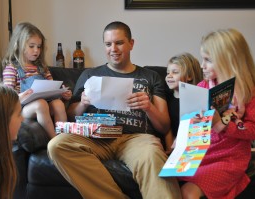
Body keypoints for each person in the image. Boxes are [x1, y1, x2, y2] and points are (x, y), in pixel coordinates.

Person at [47, 21, 182, 199]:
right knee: (56, 145)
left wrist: (148, 107)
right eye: (108, 44)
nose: (113, 49)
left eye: (119, 43)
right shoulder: (90, 75)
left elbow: (164, 126)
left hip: (136, 139)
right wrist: (83, 103)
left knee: (151, 155)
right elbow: (71, 116)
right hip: (96, 136)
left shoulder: (150, 77)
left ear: (131, 44)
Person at [179, 29, 255, 199]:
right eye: (202, 59)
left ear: (228, 61)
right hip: (199, 153)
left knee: (188, 193)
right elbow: (190, 127)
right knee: (164, 181)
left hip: (229, 157)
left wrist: (223, 124)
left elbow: (253, 130)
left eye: (208, 60)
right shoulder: (202, 87)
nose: (201, 65)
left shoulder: (249, 91)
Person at [2, 22, 72, 139]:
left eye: (39, 46)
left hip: (46, 104)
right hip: (23, 109)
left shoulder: (42, 68)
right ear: (19, 45)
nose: (36, 50)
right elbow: (7, 98)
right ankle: (54, 141)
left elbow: (52, 87)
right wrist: (21, 96)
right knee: (41, 104)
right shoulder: (11, 68)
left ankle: (64, 139)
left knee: (58, 104)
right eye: (31, 46)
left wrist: (62, 93)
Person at [164, 53, 203, 152]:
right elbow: (168, 129)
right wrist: (170, 150)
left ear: (189, 76)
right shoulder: (166, 98)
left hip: (193, 145)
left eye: (175, 72)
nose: (169, 76)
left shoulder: (197, 99)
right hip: (173, 146)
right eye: (168, 72)